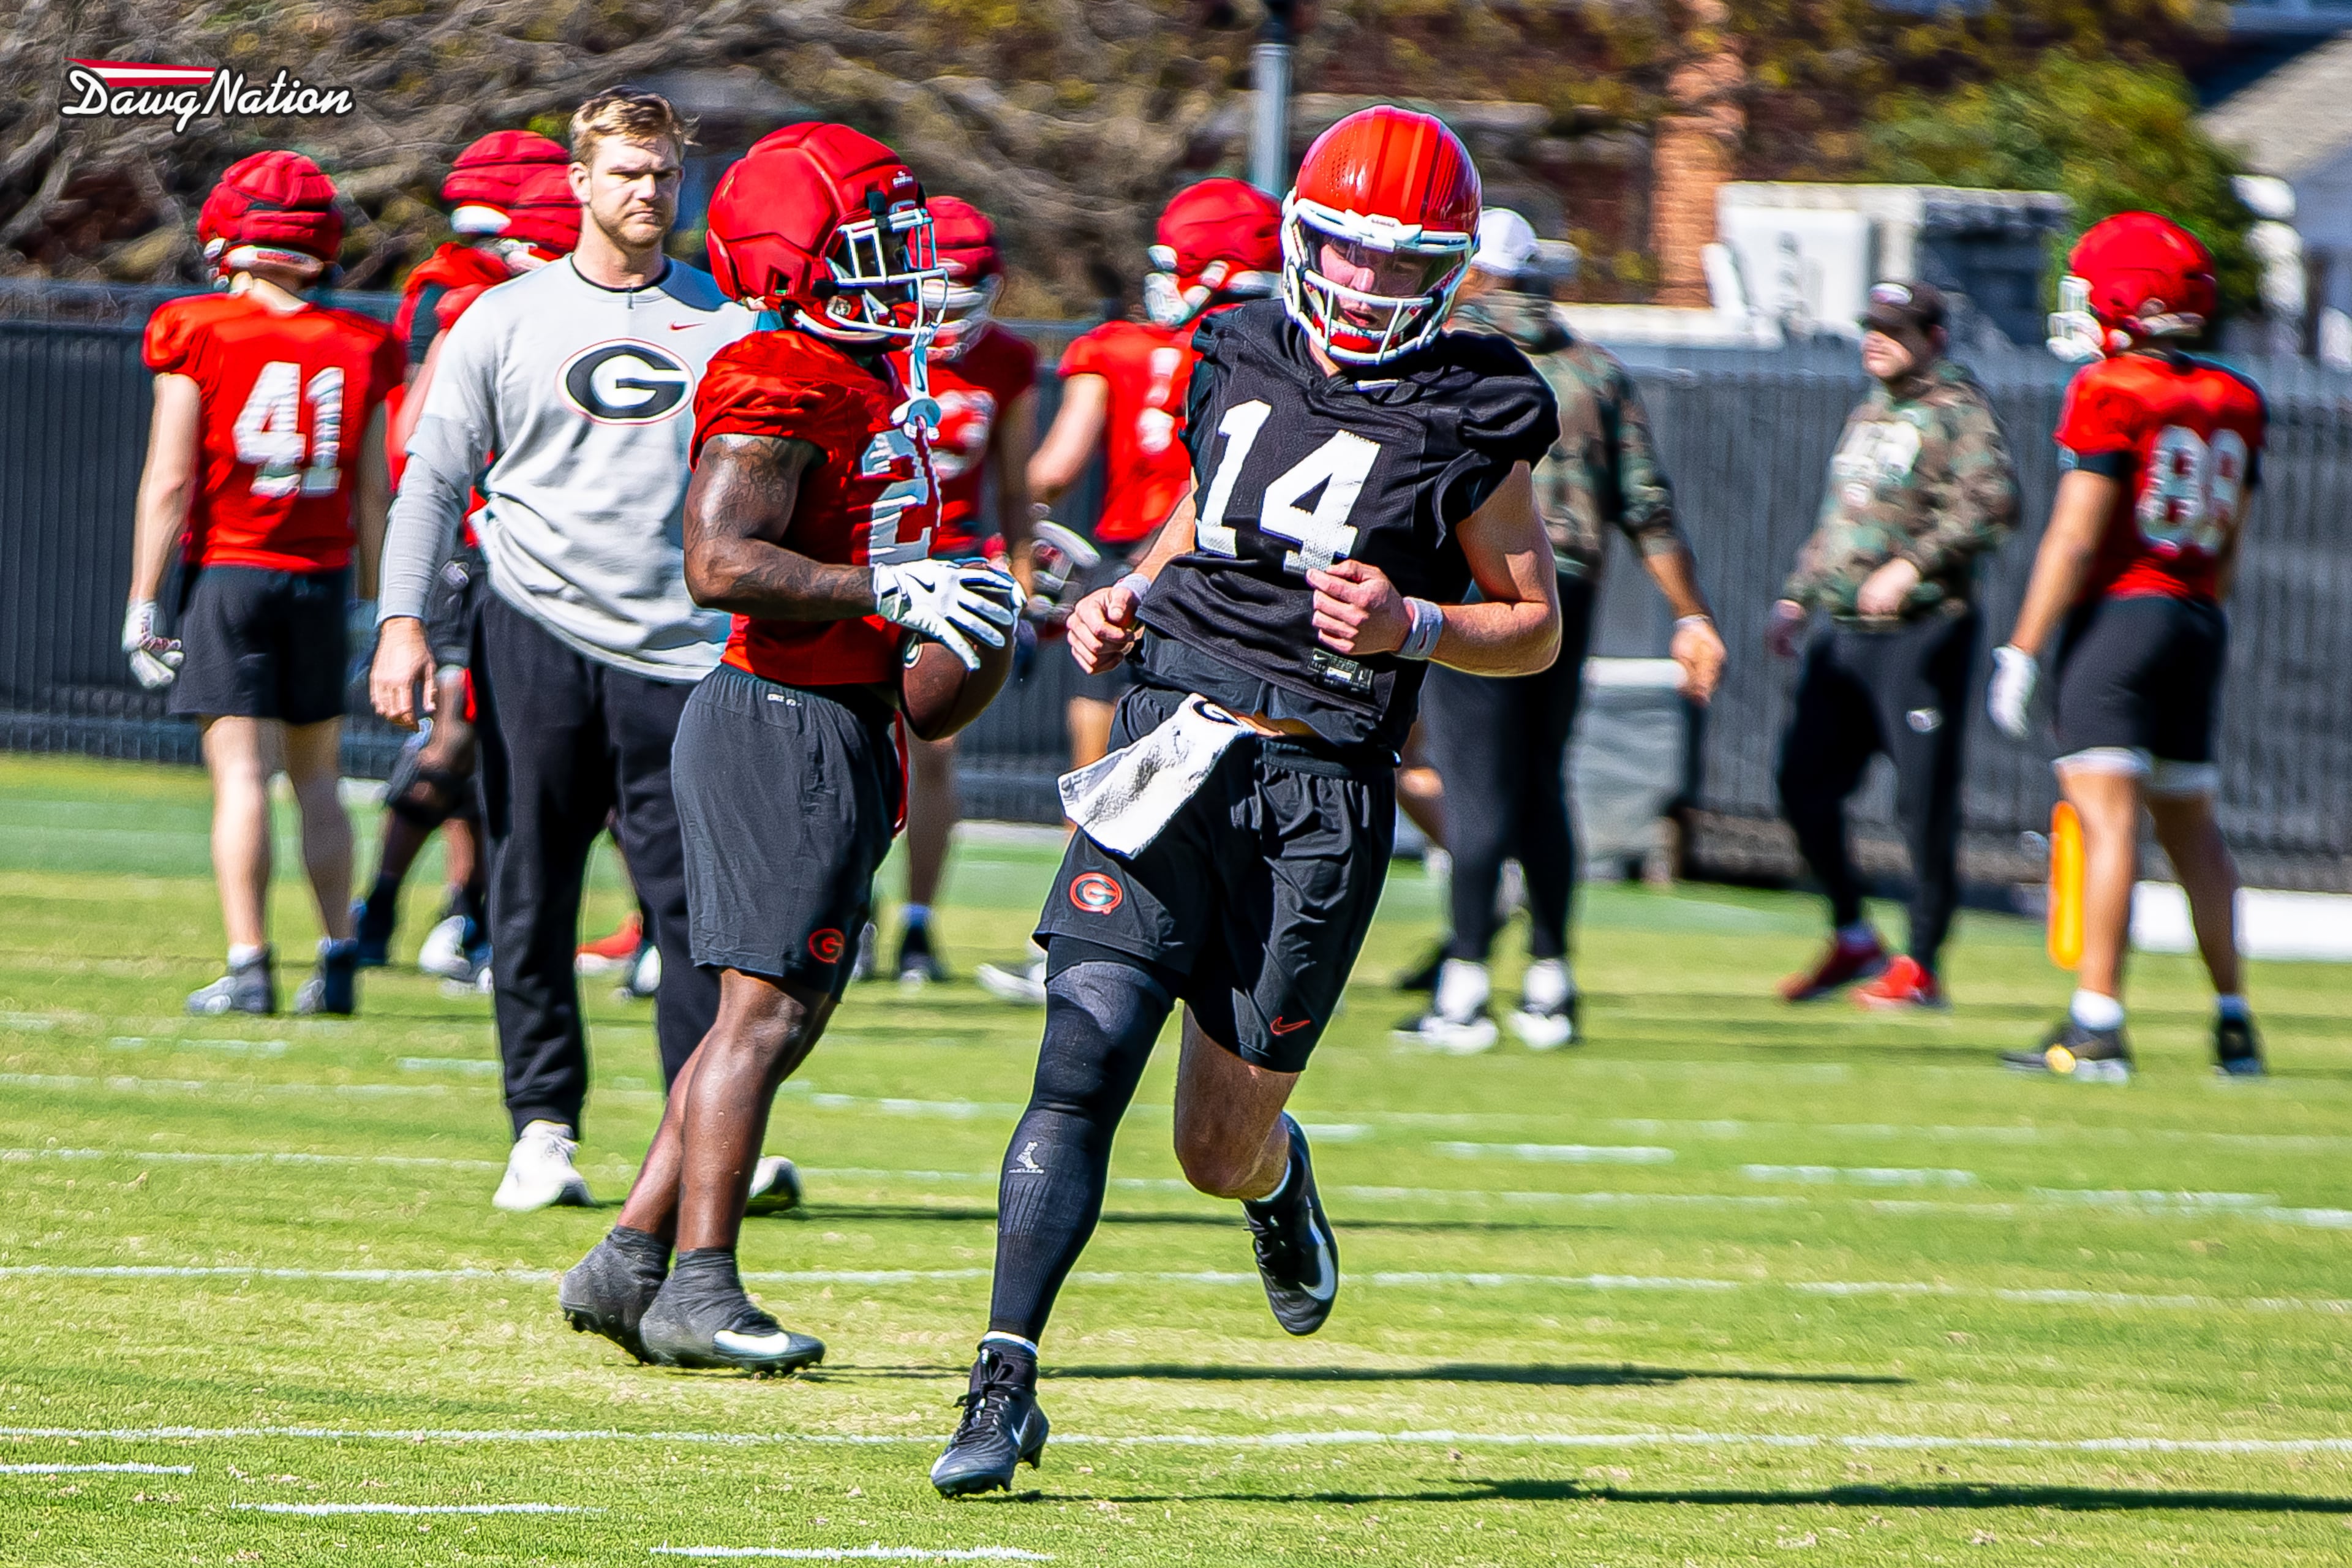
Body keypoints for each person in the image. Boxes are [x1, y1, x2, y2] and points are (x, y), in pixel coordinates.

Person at [929, 107, 1563, 1496]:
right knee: (1078, 1057)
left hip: (1317, 791)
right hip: (1170, 744)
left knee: (1211, 1147)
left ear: (1448, 270)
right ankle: (1000, 1374)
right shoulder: (1233, 341)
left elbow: (1530, 623)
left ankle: (1278, 1182)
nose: (1364, 287)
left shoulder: (1479, 400)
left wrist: (1409, 623)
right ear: (1298, 241)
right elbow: (1195, 521)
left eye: (1403, 266)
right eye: (1344, 252)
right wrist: (1125, 595)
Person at [556, 124, 1019, 1372]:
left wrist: (980, 602)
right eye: (878, 246)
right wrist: (888, 584)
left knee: (778, 1014)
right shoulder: (783, 370)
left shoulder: (870, 372)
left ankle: (629, 1260)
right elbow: (719, 561)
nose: (907, 269)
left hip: (838, 724)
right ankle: (698, 1287)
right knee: (760, 1013)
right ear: (794, 259)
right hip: (780, 722)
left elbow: (916, 659)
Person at [370, 88, 796, 1216]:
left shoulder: (728, 321)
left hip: (685, 653)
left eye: (662, 174)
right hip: (536, 632)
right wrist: (403, 621)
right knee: (531, 888)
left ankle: (703, 1140)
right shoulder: (503, 319)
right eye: (625, 173)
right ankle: (543, 1128)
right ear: (578, 184)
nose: (647, 193)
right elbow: (432, 479)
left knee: (696, 914)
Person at [1396, 208, 1727, 1051]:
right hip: (1566, 593)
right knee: (1541, 780)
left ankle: (1465, 986)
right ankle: (1550, 977)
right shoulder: (1596, 370)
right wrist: (1690, 613)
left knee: (1474, 784)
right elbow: (1647, 507)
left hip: (1473, 585)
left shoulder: (1442, 356)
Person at [973, 176, 1281, 1006]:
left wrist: (990, 524)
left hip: (1131, 578)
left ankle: (1085, 951)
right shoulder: (1284, 352)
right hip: (1240, 584)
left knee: (1103, 774)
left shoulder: (1114, 346)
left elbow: (1054, 469)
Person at [1988, 213, 2267, 1080]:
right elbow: (2231, 543)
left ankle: (2099, 1022)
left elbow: (2075, 539)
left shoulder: (2111, 389)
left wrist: (2024, 649)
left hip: (2121, 616)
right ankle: (2233, 1023)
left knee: (2108, 817)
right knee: (2193, 826)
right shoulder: (2238, 397)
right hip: (2195, 616)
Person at [123, 151, 401, 1018]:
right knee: (318, 778)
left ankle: (249, 963)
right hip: (320, 580)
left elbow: (170, 480)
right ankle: (339, 953)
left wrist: (142, 601)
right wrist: (376, 606)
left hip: (233, 575)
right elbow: (373, 492)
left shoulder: (195, 326)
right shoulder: (364, 343)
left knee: (241, 776)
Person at [357, 151, 581, 984]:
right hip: (476, 546)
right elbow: (418, 436)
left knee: (509, 748)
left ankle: (473, 917)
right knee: (454, 731)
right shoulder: (467, 300)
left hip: (547, 559)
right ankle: (382, 902)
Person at [1768, 281, 2019, 1011]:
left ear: (1934, 338)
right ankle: (1852, 933)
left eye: (1895, 329)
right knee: (1802, 784)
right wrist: (1797, 594)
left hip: (1922, 631)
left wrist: (1913, 565)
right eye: (1871, 327)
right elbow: (1840, 520)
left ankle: (1925, 964)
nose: (1876, 339)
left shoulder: (1958, 411)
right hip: (1845, 632)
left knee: (1922, 803)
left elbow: (1996, 503)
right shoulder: (1873, 410)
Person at [889, 195, 1039, 985]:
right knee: (849, 749)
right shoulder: (869, 340)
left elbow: (1016, 490)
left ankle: (916, 925)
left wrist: (1020, 584)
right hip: (868, 566)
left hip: (951, 569)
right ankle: (836, 908)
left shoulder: (1006, 362)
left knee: (934, 752)